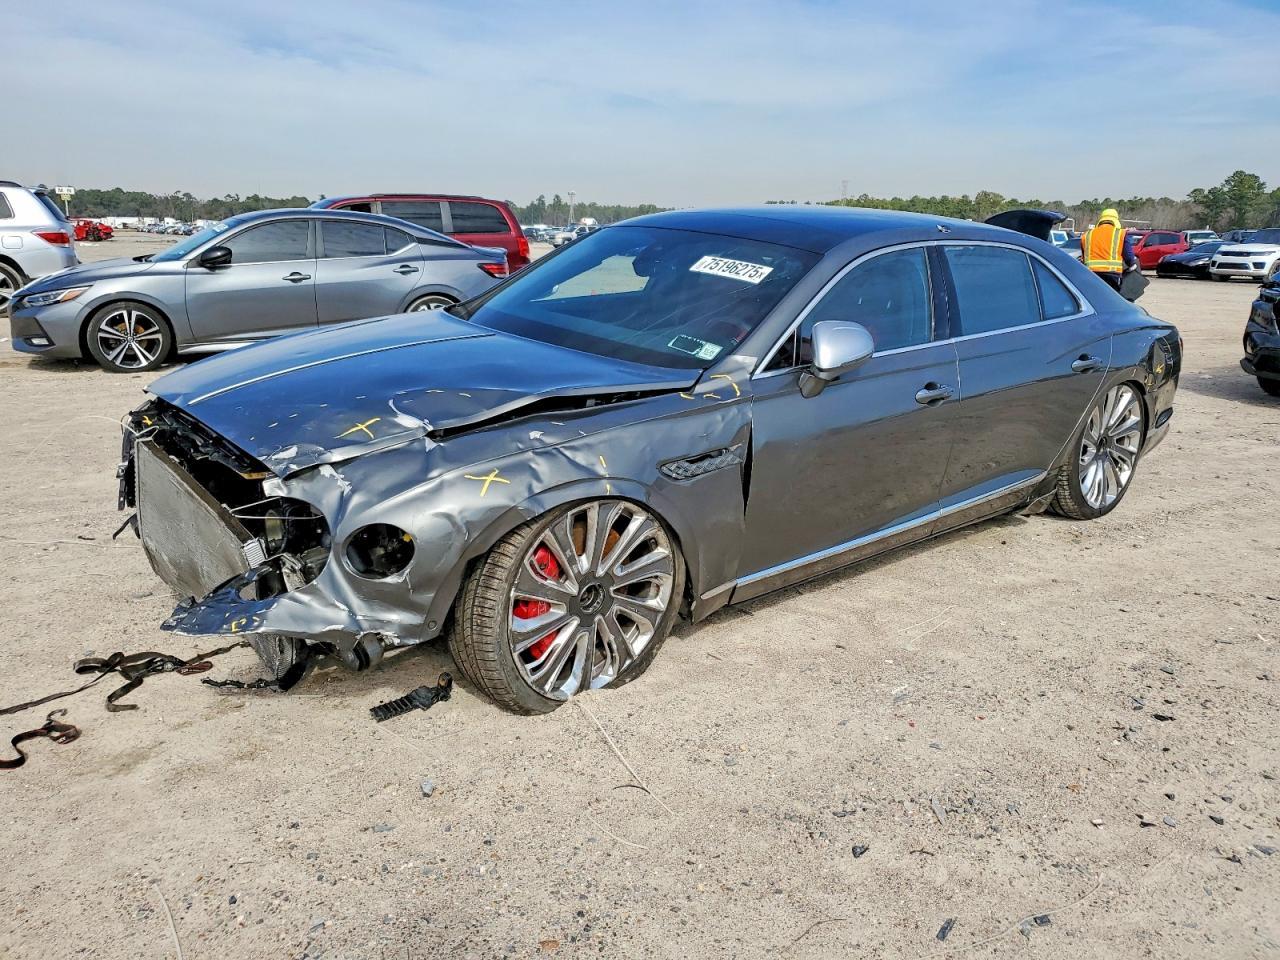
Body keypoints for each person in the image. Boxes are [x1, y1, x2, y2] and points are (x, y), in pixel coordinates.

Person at [1080, 208, 1138, 291]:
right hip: (1112, 275)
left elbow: (1084, 258)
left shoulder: (1087, 235)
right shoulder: (1121, 233)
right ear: (1115, 221)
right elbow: (1128, 257)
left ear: (1101, 220)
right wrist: (1132, 264)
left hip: (1091, 274)